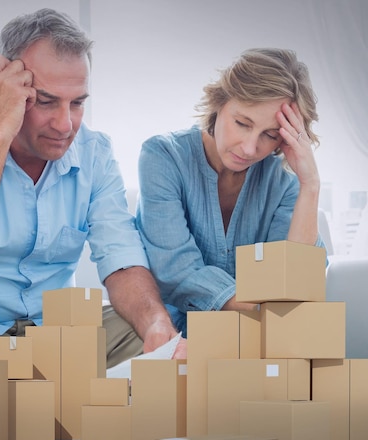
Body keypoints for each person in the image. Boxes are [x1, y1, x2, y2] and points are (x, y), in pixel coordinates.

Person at [0, 8, 184, 367]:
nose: (65, 124)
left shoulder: (96, 153)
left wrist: (155, 323)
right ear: (5, 86)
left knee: (157, 325)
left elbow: (121, 259)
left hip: (58, 336)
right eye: (46, 101)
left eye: (77, 103)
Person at [135, 48, 326, 337]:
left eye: (270, 135)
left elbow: (295, 278)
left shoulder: (284, 179)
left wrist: (310, 185)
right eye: (242, 123)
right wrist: (273, 307)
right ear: (219, 103)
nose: (250, 148)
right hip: (171, 339)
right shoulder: (163, 156)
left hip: (257, 341)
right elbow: (176, 272)